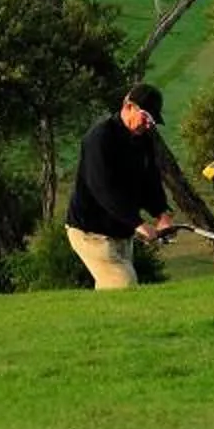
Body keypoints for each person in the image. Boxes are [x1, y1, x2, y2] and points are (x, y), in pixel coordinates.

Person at [66, 83, 180, 290]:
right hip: (91, 233)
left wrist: (162, 214)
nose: (148, 125)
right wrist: (138, 223)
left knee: (113, 292)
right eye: (145, 117)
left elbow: (150, 181)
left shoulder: (143, 140)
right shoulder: (99, 138)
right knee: (124, 286)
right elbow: (102, 188)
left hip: (120, 232)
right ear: (129, 107)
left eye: (152, 121)